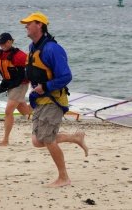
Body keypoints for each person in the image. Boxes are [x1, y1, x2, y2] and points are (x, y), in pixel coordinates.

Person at [20, 12, 88, 188]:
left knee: (48, 140)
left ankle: (64, 177)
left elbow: (66, 76)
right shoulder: (32, 47)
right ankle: (75, 138)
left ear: (40, 25)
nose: (25, 26)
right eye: (25, 24)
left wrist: (46, 87)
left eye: (29, 23)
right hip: (40, 100)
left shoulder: (53, 49)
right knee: (37, 141)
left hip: (53, 100)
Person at [0, 32, 31, 146]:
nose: (2, 45)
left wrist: (39, 83)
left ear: (11, 42)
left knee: (8, 111)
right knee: (26, 113)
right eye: (1, 43)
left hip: (21, 85)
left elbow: (32, 68)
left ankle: (5, 140)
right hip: (11, 85)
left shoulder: (20, 56)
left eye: (5, 43)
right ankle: (42, 114)